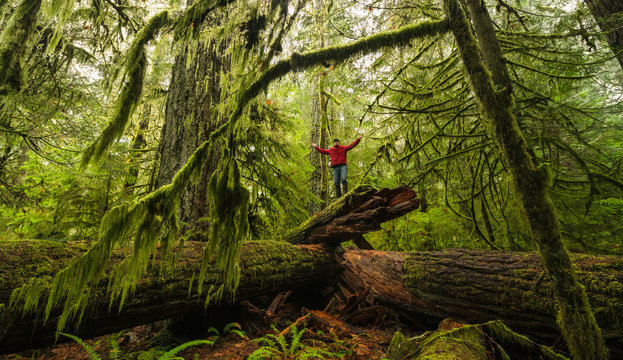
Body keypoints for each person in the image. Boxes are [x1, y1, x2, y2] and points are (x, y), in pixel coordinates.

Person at [312, 134, 362, 198]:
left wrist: (358, 139)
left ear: (339, 143)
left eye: (337, 141)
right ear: (333, 143)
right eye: (335, 142)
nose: (336, 142)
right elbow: (322, 151)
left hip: (343, 166)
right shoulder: (331, 150)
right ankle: (339, 198)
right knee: (336, 182)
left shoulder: (343, 148)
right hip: (335, 168)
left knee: (344, 179)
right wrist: (315, 146)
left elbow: (352, 145)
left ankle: (345, 195)